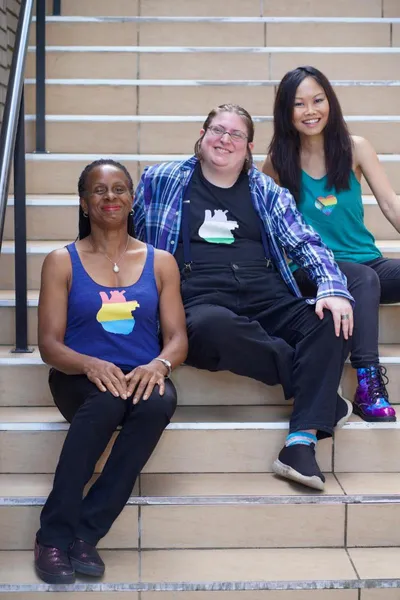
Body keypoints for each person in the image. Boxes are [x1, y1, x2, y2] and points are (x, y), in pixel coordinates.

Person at [134, 103, 354, 492]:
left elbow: (305, 241)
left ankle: (300, 443)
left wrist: (333, 289)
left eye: (236, 135)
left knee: (331, 321)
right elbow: (122, 231)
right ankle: (313, 388)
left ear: (249, 147)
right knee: (207, 328)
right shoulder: (162, 179)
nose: (225, 140)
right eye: (217, 130)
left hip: (264, 291)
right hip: (200, 295)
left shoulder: (265, 189)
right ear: (201, 137)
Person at [34, 159, 188, 584]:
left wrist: (158, 365)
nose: (110, 197)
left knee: (161, 400)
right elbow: (49, 344)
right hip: (77, 376)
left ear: (132, 199)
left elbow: (177, 339)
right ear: (84, 203)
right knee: (106, 401)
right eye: (99, 191)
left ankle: (86, 533)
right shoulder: (61, 262)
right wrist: (90, 363)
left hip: (139, 374)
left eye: (119, 189)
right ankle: (53, 535)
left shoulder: (161, 262)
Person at [263, 65, 399, 423]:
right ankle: (368, 382)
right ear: (286, 112)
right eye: (299, 104)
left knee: (365, 276)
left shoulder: (356, 148)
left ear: (330, 102)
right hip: (314, 272)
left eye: (318, 100)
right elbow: (265, 224)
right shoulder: (278, 161)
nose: (310, 111)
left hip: (365, 260)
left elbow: (390, 203)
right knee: (361, 281)